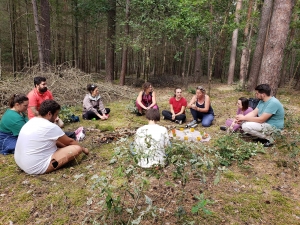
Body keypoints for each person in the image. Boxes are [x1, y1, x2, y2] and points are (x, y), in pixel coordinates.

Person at [14, 100, 89, 175]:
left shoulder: (32, 121)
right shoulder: (49, 126)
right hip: (35, 167)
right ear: (49, 114)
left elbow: (56, 141)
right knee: (76, 148)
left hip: (21, 162)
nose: (56, 118)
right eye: (56, 115)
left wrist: (64, 147)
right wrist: (84, 149)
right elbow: (70, 141)